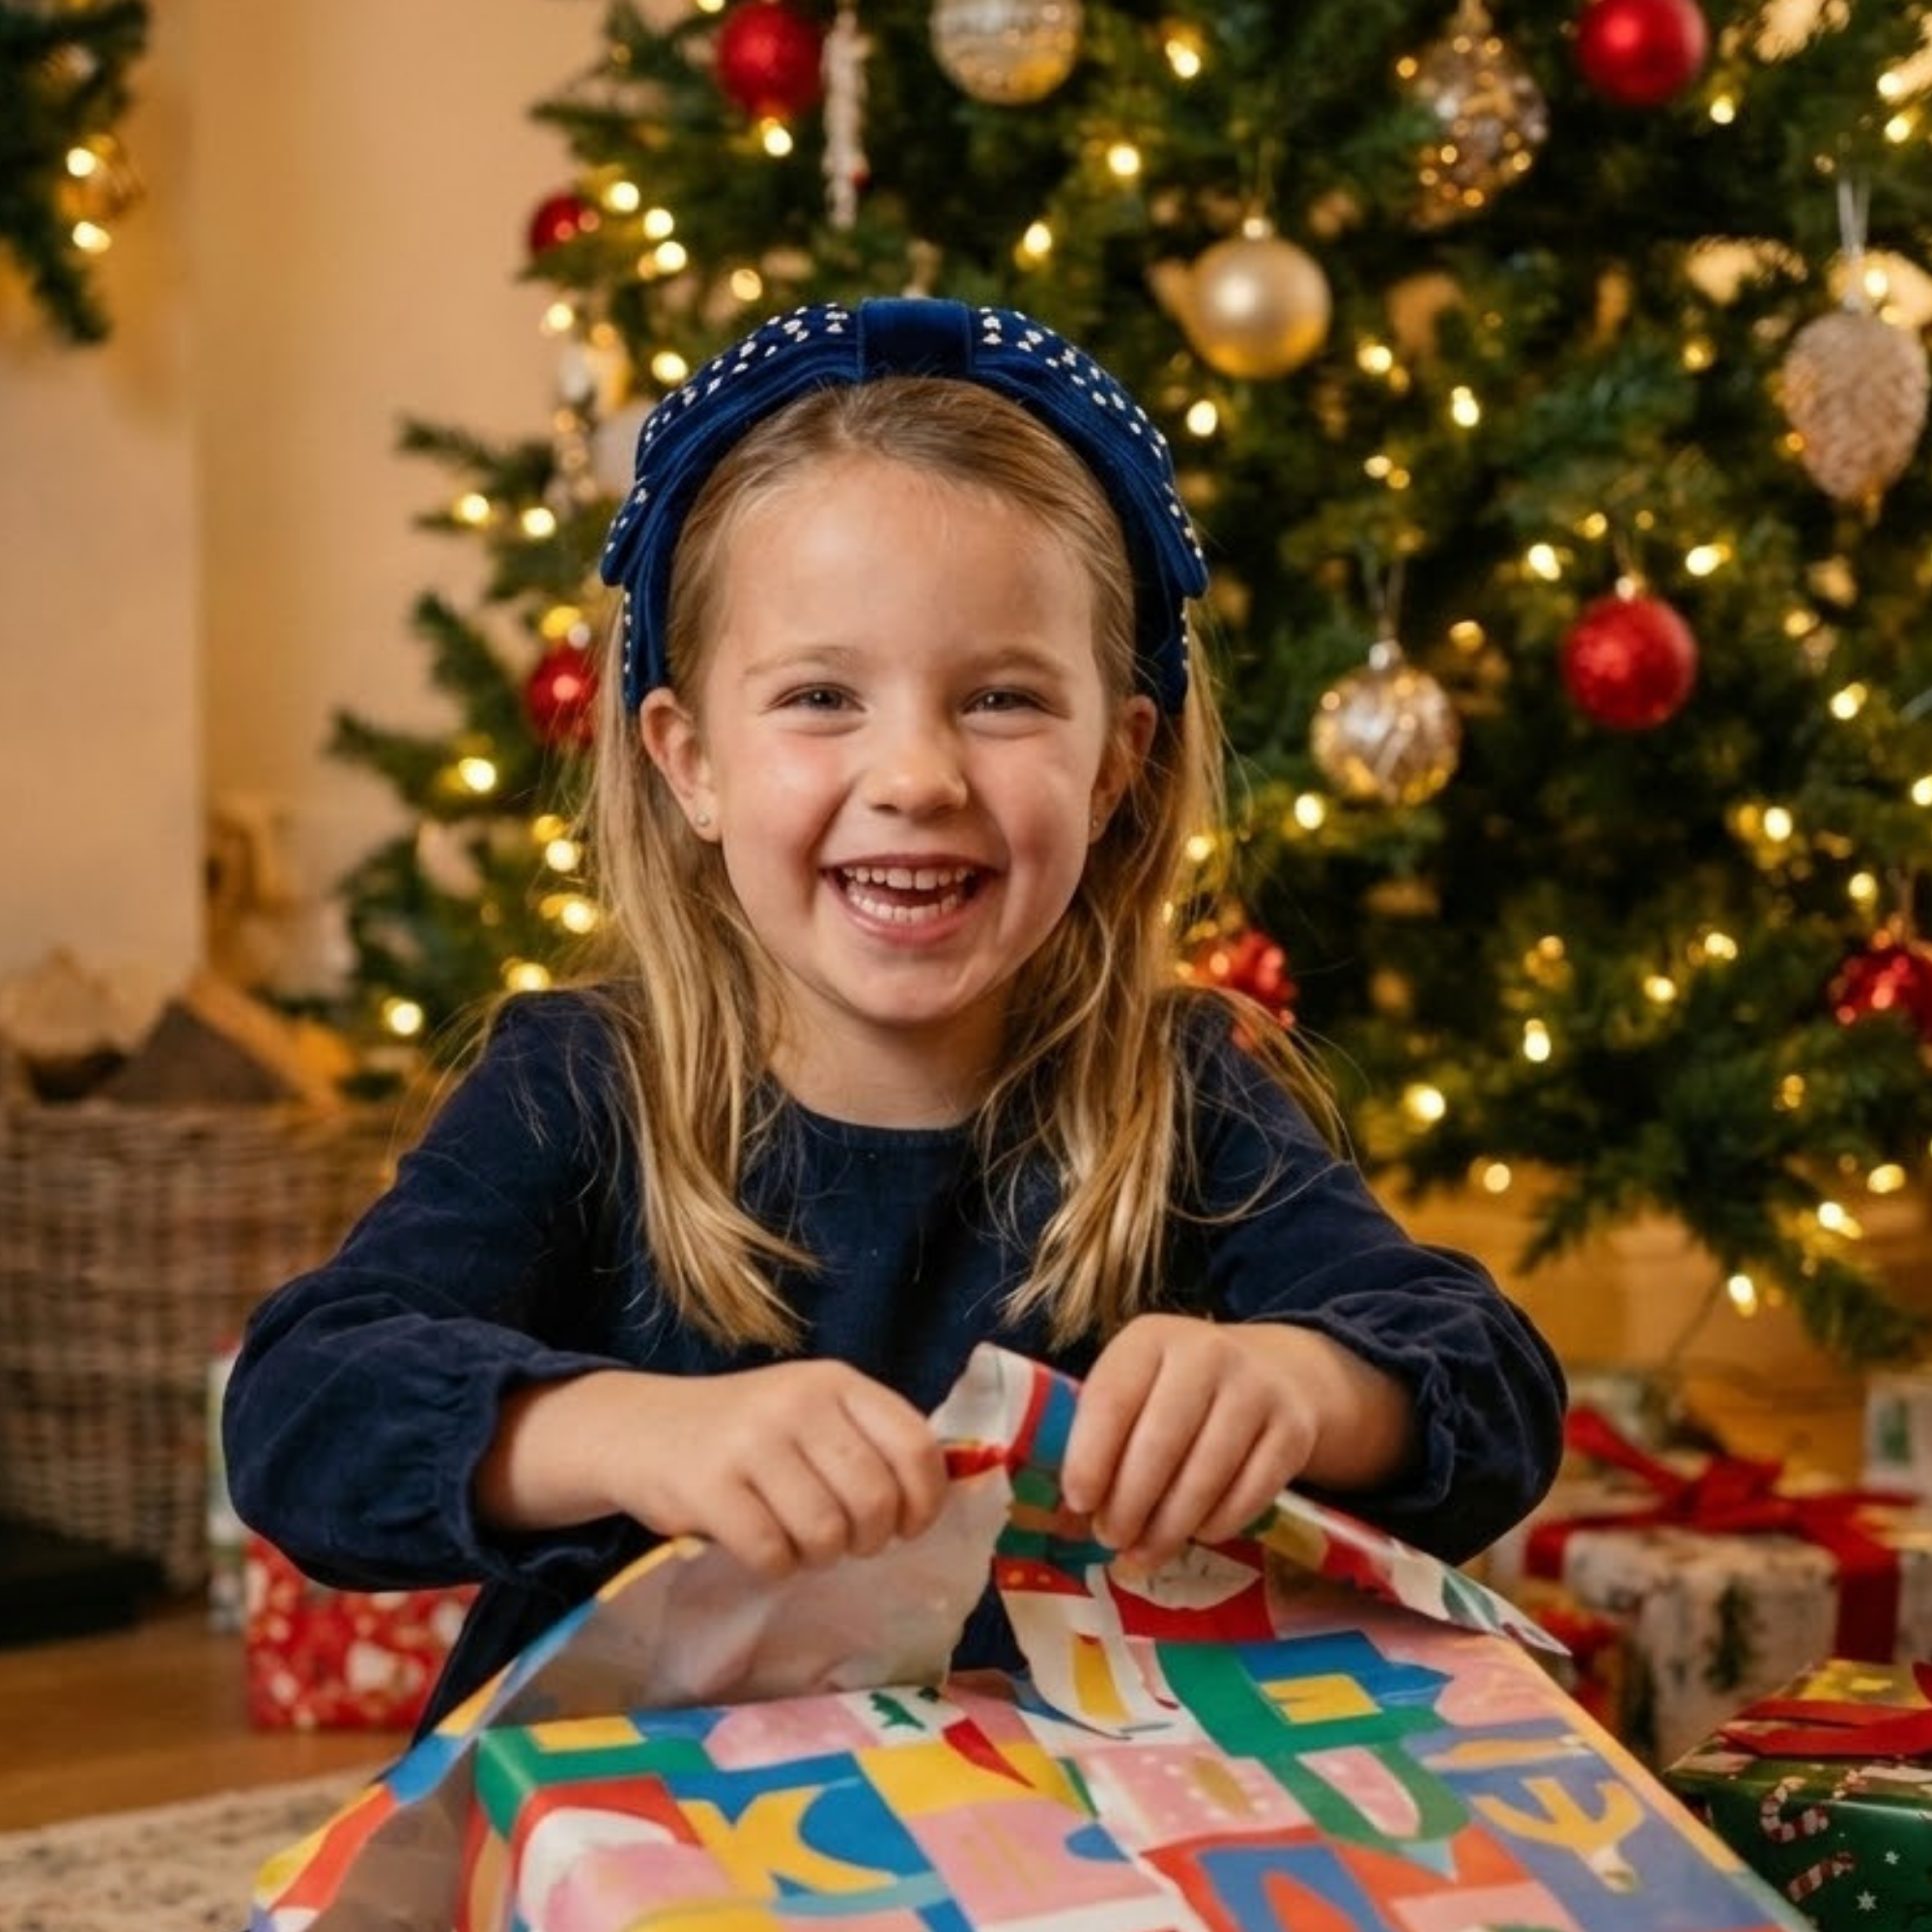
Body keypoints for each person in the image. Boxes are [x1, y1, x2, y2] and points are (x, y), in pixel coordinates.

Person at [224, 298, 1566, 1735]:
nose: (917, 775)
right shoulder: (583, 1086)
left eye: (1000, 697)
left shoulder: (1186, 1095)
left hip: (1058, 1845)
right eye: (820, 696)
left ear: (1119, 764)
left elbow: (1495, 1389)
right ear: (690, 763)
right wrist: (623, 1430)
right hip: (634, 1845)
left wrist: (1302, 1387)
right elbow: (303, 1411)